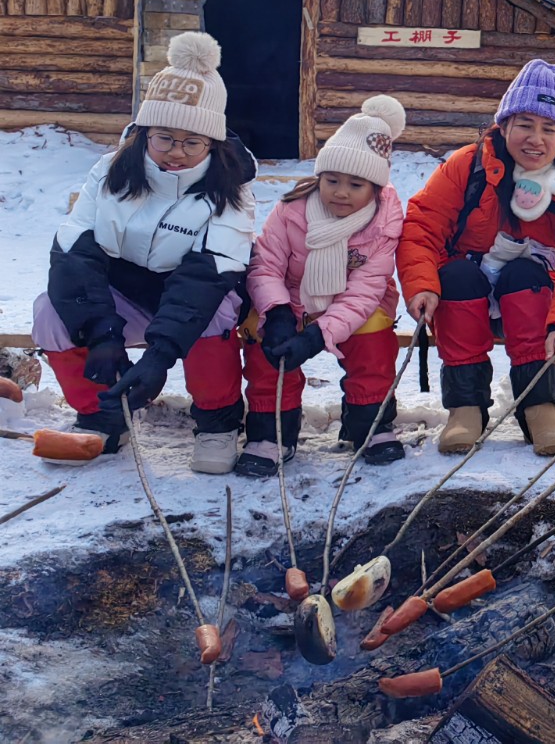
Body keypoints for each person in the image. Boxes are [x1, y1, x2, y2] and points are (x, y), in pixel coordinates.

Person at [34, 32, 256, 473]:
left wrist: (158, 357)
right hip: (124, 292)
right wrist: (102, 334)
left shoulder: (230, 191)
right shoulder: (111, 172)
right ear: (143, 133)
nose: (176, 152)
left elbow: (206, 278)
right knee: (50, 314)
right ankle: (102, 415)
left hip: (192, 297)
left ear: (212, 142)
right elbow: (76, 252)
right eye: (164, 138)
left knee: (216, 315)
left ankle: (217, 421)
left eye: (192, 142)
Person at [398, 59, 555, 456]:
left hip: (532, 303)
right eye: (525, 124)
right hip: (465, 300)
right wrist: (421, 286)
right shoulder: (468, 166)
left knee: (525, 273)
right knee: (456, 275)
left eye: (549, 129)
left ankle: (540, 405)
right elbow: (421, 226)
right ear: (505, 124)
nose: (535, 139)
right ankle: (466, 407)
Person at [238, 96, 409, 476]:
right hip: (290, 299)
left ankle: (369, 424)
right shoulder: (292, 210)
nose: (341, 192)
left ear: (375, 188)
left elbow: (366, 290)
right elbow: (265, 265)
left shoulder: (382, 224)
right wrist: (277, 313)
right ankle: (272, 432)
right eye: (332, 180)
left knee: (372, 343)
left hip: (356, 305)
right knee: (264, 341)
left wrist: (319, 335)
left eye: (355, 184)